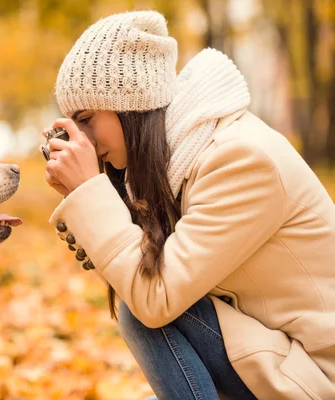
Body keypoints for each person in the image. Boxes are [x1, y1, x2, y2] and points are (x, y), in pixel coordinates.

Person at [41, 10, 335, 400]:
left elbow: (154, 299)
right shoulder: (180, 161)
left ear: (129, 103)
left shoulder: (239, 159)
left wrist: (90, 196)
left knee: (143, 310)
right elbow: (143, 276)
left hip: (315, 372)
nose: (84, 138)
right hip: (275, 347)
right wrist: (90, 201)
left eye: (87, 119)